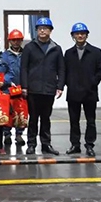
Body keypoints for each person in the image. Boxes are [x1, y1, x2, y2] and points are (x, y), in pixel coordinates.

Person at [20, 17, 65, 156]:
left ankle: (46, 144)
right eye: (40, 29)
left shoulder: (56, 48)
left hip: (49, 89)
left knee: (46, 118)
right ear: (36, 31)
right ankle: (31, 145)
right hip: (33, 89)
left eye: (45, 29)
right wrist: (24, 86)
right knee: (33, 118)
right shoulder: (29, 47)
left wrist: (60, 86)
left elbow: (61, 69)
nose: (43, 31)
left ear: (50, 31)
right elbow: (24, 68)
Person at [64, 22, 101, 157]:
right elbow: (64, 71)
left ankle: (89, 145)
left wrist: (92, 82)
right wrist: (68, 84)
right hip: (73, 93)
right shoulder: (68, 53)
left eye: (82, 33)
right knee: (74, 121)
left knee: (91, 121)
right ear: (73, 36)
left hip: (90, 92)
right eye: (77, 34)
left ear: (87, 35)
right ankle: (75, 145)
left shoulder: (96, 52)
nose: (80, 36)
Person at [2, 29, 26, 146]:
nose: (16, 42)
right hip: (8, 88)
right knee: (8, 111)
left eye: (18, 40)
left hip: (23, 88)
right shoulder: (4, 56)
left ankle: (19, 134)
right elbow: (3, 71)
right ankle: (7, 134)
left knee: (21, 111)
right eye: (13, 40)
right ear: (9, 41)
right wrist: (8, 82)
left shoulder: (26, 54)